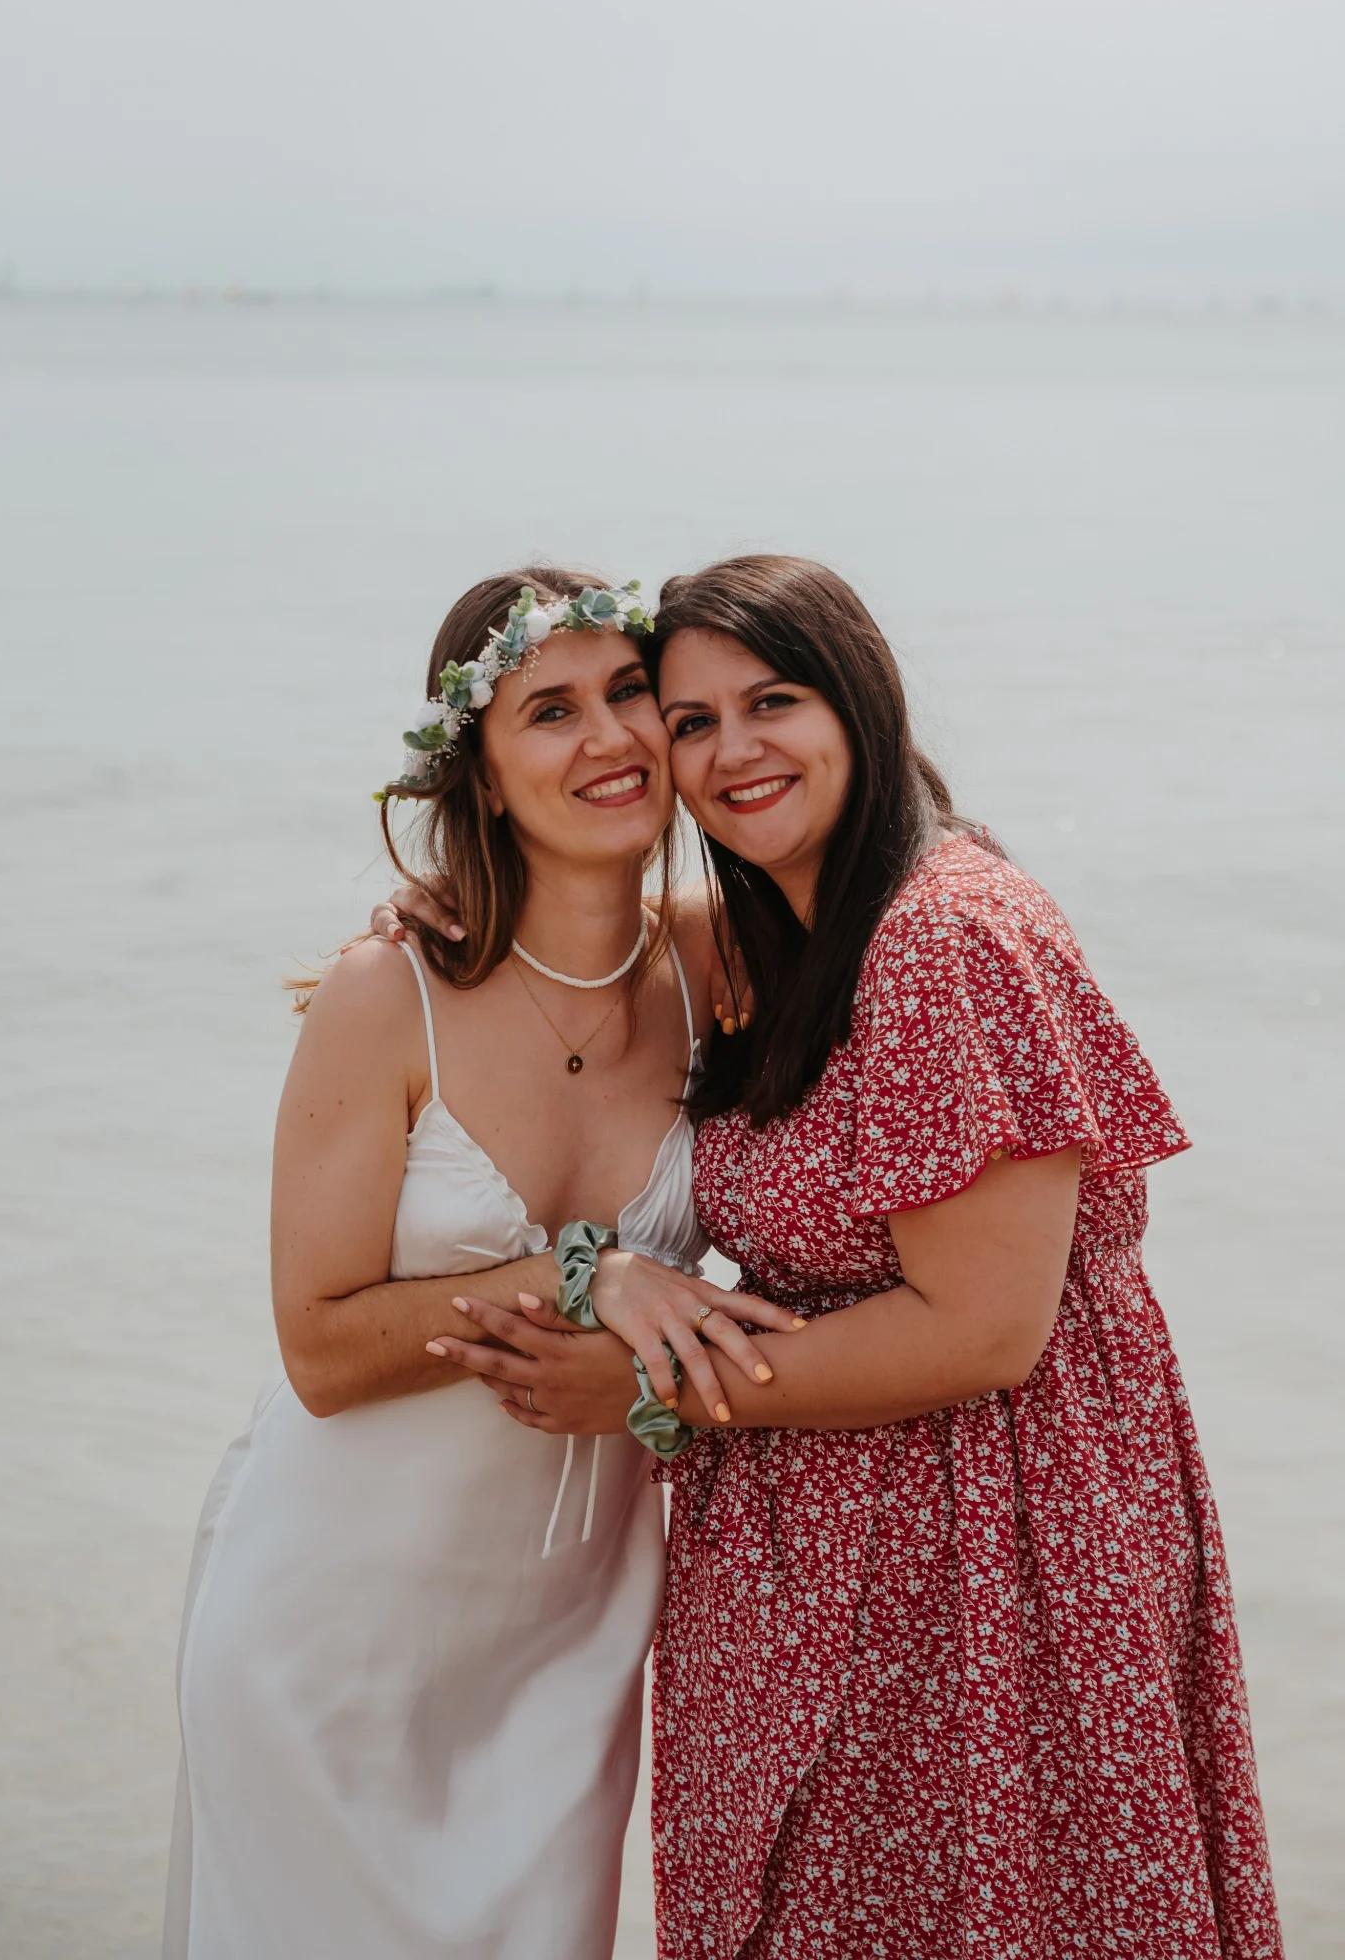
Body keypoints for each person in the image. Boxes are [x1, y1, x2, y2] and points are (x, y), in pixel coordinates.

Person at [429, 557, 1284, 1960]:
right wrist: (437, 929)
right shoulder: (775, 932)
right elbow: (580, 964)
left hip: (991, 1567)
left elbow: (982, 1335)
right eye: (690, 721)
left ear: (859, 705)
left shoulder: (945, 938)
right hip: (838, 1564)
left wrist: (645, 1394)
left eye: (772, 702)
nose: (730, 751)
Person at [162, 565, 798, 1960]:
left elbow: (899, 886)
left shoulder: (720, 966)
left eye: (631, 693)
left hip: (566, 1646)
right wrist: (591, 1273)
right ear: (487, 778)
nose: (611, 738)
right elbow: (321, 1353)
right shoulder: (387, 992)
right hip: (327, 1635)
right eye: (550, 711)